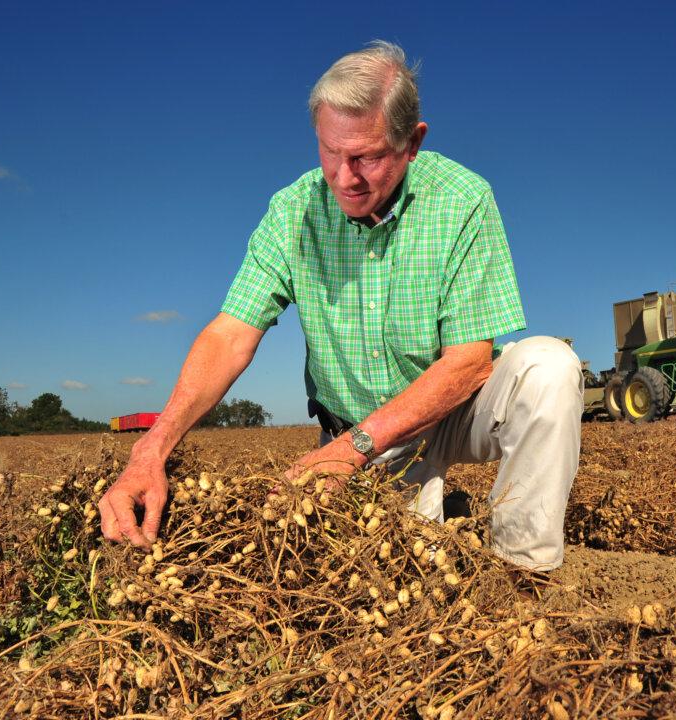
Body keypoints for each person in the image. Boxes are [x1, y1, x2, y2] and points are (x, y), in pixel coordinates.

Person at [99, 41, 583, 571]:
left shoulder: (462, 199)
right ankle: (440, 509)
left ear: (413, 143)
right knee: (398, 573)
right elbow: (229, 335)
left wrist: (353, 447)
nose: (345, 177)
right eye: (331, 152)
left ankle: (523, 573)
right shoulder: (293, 212)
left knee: (549, 369)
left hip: (446, 410)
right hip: (360, 434)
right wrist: (153, 447)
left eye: (367, 157)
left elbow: (468, 363)